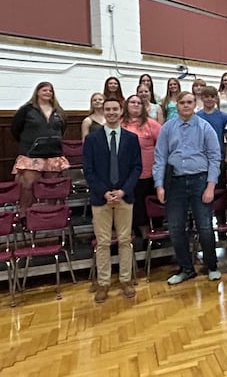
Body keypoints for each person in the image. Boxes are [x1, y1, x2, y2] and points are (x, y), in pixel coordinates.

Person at [153, 91, 222, 285]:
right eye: (182, 102)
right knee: (175, 228)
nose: (186, 105)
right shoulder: (167, 128)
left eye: (189, 102)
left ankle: (212, 265)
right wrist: (159, 185)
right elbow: (160, 158)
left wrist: (210, 186)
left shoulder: (204, 127)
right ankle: (186, 268)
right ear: (177, 104)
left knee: (205, 227)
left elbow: (214, 158)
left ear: (195, 104)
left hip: (200, 181)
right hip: (175, 182)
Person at [83, 97, 141, 302]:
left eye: (115, 109)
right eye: (107, 109)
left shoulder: (131, 138)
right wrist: (104, 192)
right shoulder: (92, 139)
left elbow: (137, 168)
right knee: (103, 242)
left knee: (125, 240)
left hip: (125, 197)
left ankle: (125, 280)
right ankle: (103, 283)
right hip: (101, 198)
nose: (111, 112)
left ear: (121, 111)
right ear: (103, 111)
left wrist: (123, 191)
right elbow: (88, 171)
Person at [10, 82, 70, 211]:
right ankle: (25, 213)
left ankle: (52, 212)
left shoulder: (58, 111)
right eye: (44, 90)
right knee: (28, 185)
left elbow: (63, 128)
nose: (48, 93)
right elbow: (15, 129)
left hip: (54, 154)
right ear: (37, 92)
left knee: (52, 187)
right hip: (32, 155)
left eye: (50, 91)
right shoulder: (27, 110)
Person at [122, 95, 161, 241]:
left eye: (139, 103)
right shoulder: (120, 124)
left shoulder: (151, 124)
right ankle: (134, 234)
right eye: (133, 102)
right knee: (132, 206)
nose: (136, 105)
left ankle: (149, 235)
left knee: (147, 205)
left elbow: (163, 145)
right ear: (127, 105)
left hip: (149, 173)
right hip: (126, 175)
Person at [196, 86, 227, 193]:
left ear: (216, 98)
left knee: (219, 191)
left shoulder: (223, 116)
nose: (209, 99)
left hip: (218, 158)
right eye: (206, 97)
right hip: (201, 158)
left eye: (212, 96)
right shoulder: (197, 117)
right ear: (202, 98)